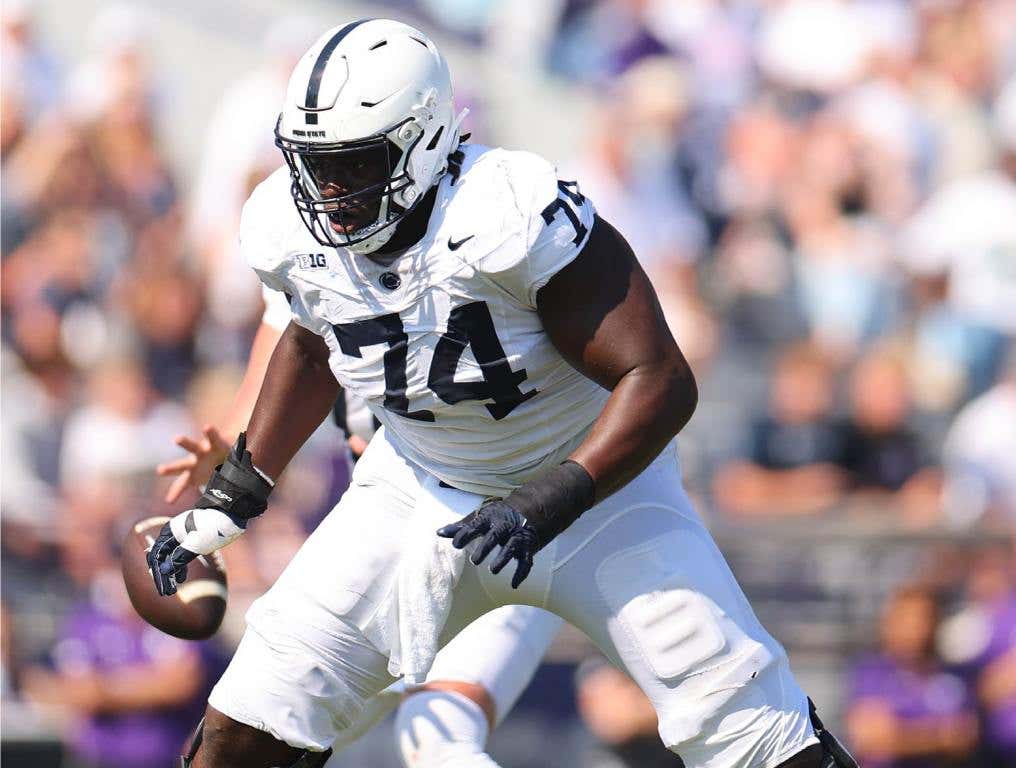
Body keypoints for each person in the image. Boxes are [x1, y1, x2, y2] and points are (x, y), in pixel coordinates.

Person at [144, 19, 854, 768]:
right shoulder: (288, 227)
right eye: (316, 165)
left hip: (596, 492)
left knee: (750, 725)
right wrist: (235, 493)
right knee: (250, 718)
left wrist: (554, 494)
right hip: (416, 488)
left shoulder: (507, 211)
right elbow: (309, 341)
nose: (329, 191)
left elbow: (660, 379)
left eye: (354, 165)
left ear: (421, 142)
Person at [158, 285, 565, 768]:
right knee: (246, 732)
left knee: (436, 739)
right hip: (383, 527)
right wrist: (229, 447)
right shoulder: (301, 252)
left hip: (497, 511)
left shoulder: (476, 232)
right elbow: (286, 365)